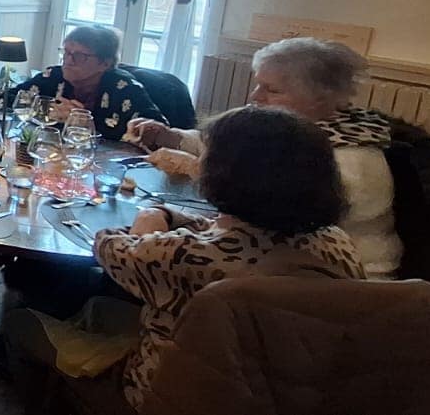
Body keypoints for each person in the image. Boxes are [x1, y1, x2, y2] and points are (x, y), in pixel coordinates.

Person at [8, 106, 366, 412]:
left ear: (223, 174)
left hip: (169, 395)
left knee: (18, 322)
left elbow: (107, 246)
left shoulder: (182, 255)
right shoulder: (336, 243)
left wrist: (147, 228)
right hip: (293, 396)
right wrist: (168, 215)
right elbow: (233, 234)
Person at [128, 37, 403, 278]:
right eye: (258, 85)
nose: (255, 96)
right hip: (280, 261)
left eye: (272, 90)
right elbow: (226, 145)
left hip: (341, 284)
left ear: (320, 98)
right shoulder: (288, 131)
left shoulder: (352, 159)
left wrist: (199, 169)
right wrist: (168, 136)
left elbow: (270, 209)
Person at [11, 24, 165, 141]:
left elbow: (156, 132)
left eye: (79, 56)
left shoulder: (124, 88)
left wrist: (85, 124)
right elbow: (9, 98)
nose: (69, 60)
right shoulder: (54, 75)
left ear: (105, 63)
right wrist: (44, 110)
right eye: (66, 52)